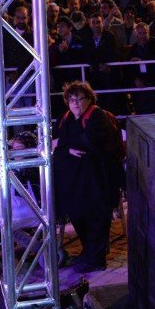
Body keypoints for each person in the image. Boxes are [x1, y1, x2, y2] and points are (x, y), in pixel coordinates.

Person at [52, 81, 125, 273]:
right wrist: (66, 147)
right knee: (77, 214)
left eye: (80, 98)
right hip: (75, 180)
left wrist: (63, 144)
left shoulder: (97, 117)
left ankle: (96, 258)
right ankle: (88, 252)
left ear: (89, 99)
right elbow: (55, 145)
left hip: (97, 178)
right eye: (72, 99)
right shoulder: (65, 119)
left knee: (96, 217)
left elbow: (92, 143)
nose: (76, 103)